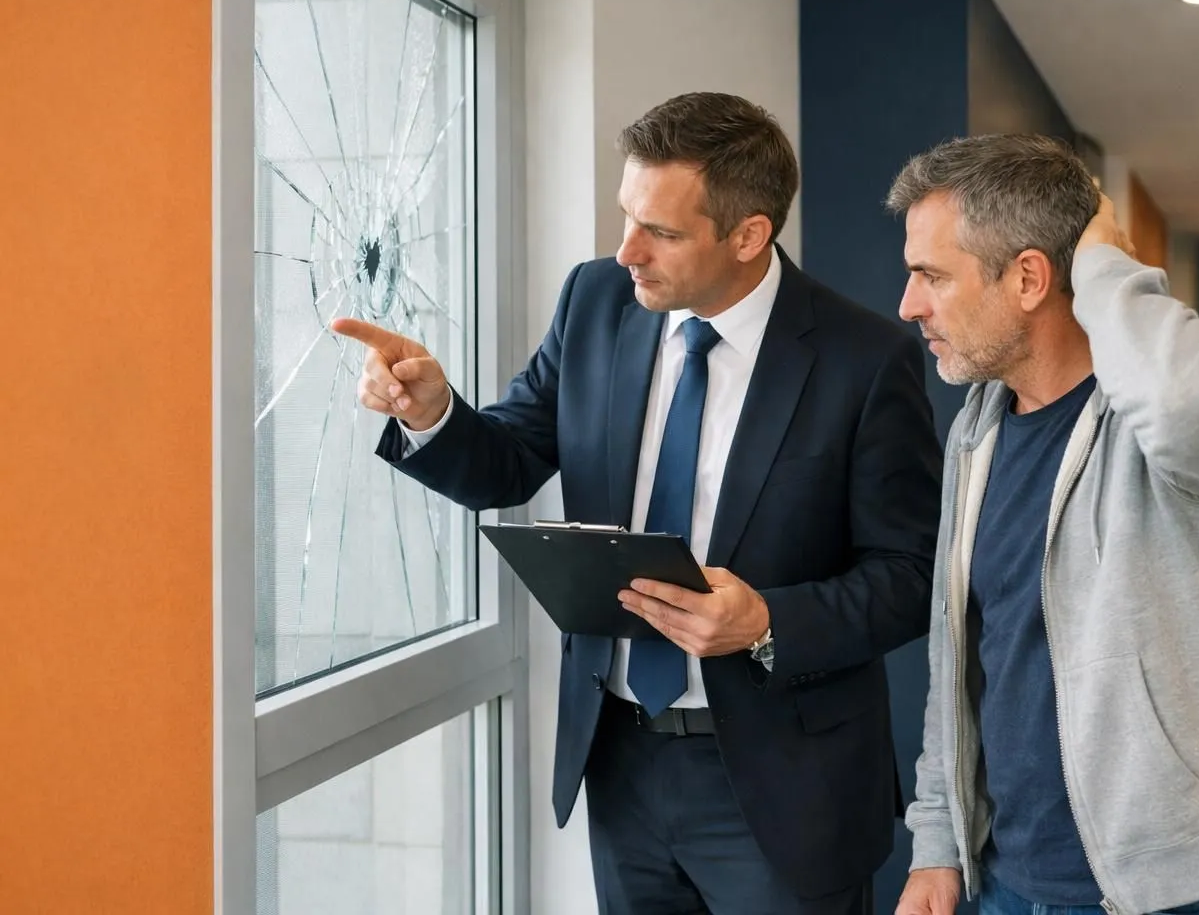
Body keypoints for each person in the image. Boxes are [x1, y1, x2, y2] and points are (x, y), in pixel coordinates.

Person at [333, 92, 942, 915]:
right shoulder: (595, 302)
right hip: (620, 762)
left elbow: (910, 576)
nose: (627, 252)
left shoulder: (865, 360)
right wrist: (433, 413)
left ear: (749, 234)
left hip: (784, 785)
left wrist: (766, 621)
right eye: (626, 217)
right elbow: (510, 461)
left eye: (660, 231)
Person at [887, 134, 1199, 915]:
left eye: (931, 276)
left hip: (1193, 890)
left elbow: (1193, 404)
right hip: (1009, 885)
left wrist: (1107, 265)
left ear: (1030, 278)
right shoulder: (976, 431)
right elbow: (963, 660)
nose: (910, 305)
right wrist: (939, 842)